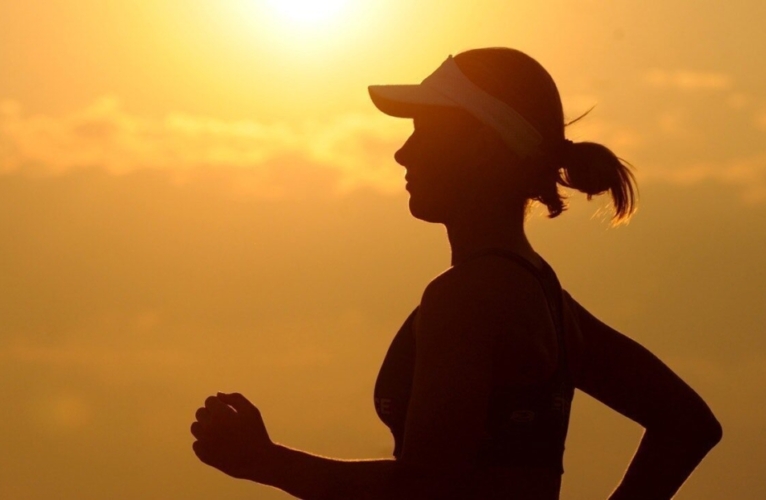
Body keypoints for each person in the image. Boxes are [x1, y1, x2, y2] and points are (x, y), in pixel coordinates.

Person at [189, 47, 722, 500]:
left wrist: (265, 462)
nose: (402, 152)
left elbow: (426, 487)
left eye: (425, 131)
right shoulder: (544, 296)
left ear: (484, 150)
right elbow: (687, 424)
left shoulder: (467, 297)